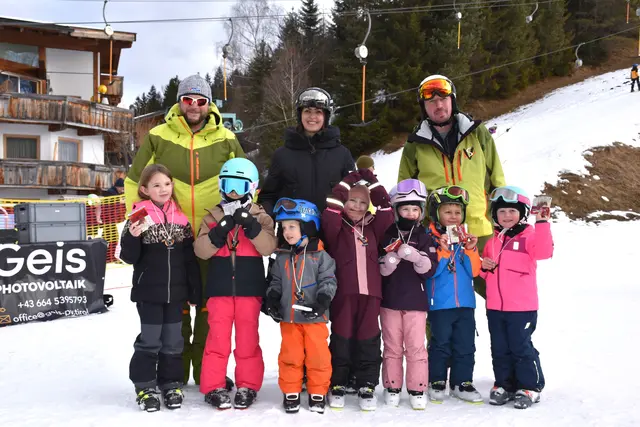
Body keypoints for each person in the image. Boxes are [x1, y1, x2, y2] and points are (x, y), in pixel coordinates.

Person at [125, 74, 245, 387]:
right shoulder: (158, 135)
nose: (194, 106)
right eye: (188, 99)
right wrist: (140, 224)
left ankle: (207, 370)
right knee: (173, 307)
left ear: (209, 104)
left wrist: (237, 226)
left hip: (211, 238)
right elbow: (134, 181)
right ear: (179, 102)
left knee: (209, 306)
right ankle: (173, 372)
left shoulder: (226, 138)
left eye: (200, 100)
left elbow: (247, 183)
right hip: (169, 240)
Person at [397, 74, 506, 299]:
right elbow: (405, 190)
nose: (438, 105)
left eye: (443, 99)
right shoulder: (415, 143)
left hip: (478, 228)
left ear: (452, 100)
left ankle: (506, 324)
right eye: (431, 101)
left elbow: (496, 176)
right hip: (437, 235)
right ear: (424, 107)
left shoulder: (477, 133)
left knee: (496, 292)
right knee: (441, 297)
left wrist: (501, 216)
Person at [194, 158, 277, 410]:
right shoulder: (212, 216)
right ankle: (214, 386)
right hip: (219, 289)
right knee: (217, 340)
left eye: (239, 186)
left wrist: (251, 225)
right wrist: (219, 231)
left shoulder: (261, 217)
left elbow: (268, 247)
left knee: (247, 341)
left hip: (249, 290)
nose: (232, 192)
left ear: (251, 188)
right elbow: (201, 250)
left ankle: (247, 385)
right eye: (228, 184)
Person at [118, 164, 202, 412]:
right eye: (156, 185)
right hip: (149, 294)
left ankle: (171, 383)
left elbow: (189, 259)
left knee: (173, 341)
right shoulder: (139, 216)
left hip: (176, 295)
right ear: (145, 189)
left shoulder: (181, 218)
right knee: (150, 341)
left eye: (167, 184)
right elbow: (128, 257)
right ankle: (145, 386)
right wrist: (133, 237)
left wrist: (194, 289)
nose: (163, 189)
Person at [322, 169, 394, 411]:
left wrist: (373, 183)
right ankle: (338, 382)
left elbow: (386, 209)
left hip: (371, 292)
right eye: (352, 200)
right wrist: (347, 182)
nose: (357, 206)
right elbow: (332, 206)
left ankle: (366, 383)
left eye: (363, 202)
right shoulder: (336, 225)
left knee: (368, 338)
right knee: (341, 337)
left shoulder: (374, 226)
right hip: (344, 292)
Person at [480, 186, 553, 409]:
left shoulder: (529, 237)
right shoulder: (492, 242)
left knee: (520, 347)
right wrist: (484, 267)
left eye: (512, 211)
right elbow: (486, 272)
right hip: (495, 307)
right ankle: (505, 384)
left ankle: (530, 386)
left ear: (522, 213)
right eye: (502, 211)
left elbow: (544, 252)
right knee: (499, 348)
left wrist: (542, 222)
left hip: (522, 308)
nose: (507, 216)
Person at [264, 198, 337, 414]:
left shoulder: (321, 256)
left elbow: (328, 280)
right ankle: (291, 390)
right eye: (284, 227)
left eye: (292, 227)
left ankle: (318, 391)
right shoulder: (282, 256)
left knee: (318, 356)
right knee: (290, 356)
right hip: (289, 317)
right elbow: (276, 281)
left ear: (307, 227)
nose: (287, 232)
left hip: (315, 318)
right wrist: (273, 299)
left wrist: (322, 301)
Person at [378, 179, 437, 410]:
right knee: (392, 346)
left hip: (415, 302)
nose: (410, 213)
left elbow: (429, 269)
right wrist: (389, 261)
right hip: (390, 301)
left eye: (415, 209)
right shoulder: (387, 234)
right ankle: (392, 386)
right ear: (396, 210)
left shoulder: (424, 235)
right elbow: (380, 268)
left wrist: (415, 256)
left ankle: (417, 387)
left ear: (421, 211)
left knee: (415, 346)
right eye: (405, 209)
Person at [258, 87, 356, 216]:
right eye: (307, 111)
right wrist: (266, 217)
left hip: (332, 227)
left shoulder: (342, 155)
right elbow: (268, 197)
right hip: (293, 227)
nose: (312, 117)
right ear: (300, 115)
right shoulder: (282, 155)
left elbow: (355, 196)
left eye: (318, 112)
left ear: (326, 116)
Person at [425, 185, 483, 404]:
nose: (453, 216)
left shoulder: (465, 239)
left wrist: (470, 249)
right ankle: (437, 381)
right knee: (440, 344)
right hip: (440, 304)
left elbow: (474, 271)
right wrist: (443, 250)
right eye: (447, 212)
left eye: (458, 212)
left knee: (465, 345)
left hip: (465, 303)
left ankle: (462, 382)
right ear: (436, 213)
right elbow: (432, 271)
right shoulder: (429, 239)